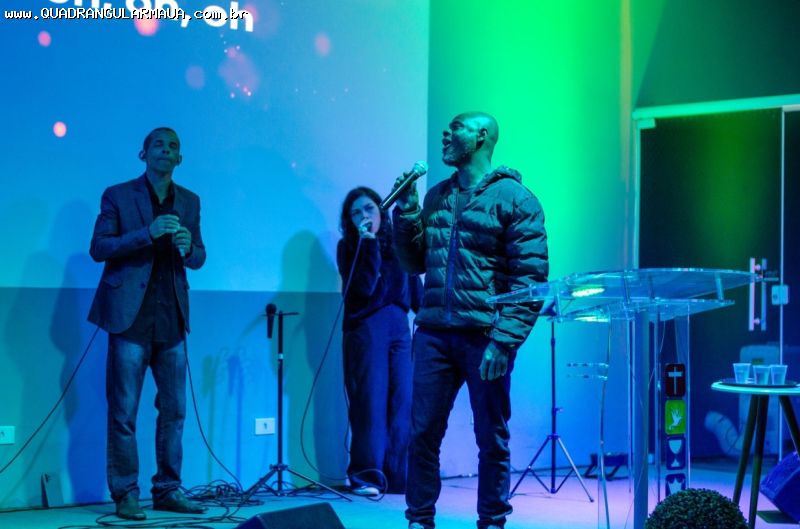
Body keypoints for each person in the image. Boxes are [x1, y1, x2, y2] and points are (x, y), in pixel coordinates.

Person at [392, 112, 549, 529]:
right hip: (433, 334)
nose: (446, 133)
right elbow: (413, 263)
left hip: (484, 336)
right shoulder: (436, 196)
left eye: (456, 127)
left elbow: (530, 279)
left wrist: (504, 341)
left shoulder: (516, 199)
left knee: (491, 438)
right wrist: (406, 211)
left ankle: (492, 521)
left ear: (481, 136)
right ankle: (419, 520)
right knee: (422, 434)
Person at [88, 127, 207, 520]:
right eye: (158, 144)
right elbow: (99, 247)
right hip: (130, 320)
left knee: (174, 412)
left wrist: (189, 249)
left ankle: (168, 489)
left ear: (180, 158)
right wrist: (146, 234)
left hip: (171, 319)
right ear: (144, 154)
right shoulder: (118, 195)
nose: (165, 150)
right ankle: (125, 493)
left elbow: (200, 256)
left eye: (173, 146)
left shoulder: (190, 201)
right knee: (124, 411)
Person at [336, 186, 423, 496]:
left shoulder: (398, 243)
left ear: (381, 211)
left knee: (404, 400)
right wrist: (368, 242)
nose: (364, 216)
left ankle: (397, 476)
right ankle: (366, 476)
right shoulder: (349, 247)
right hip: (366, 328)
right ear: (349, 220)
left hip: (399, 326)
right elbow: (363, 288)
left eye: (369, 209)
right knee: (370, 402)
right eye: (356, 212)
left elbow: (415, 289)